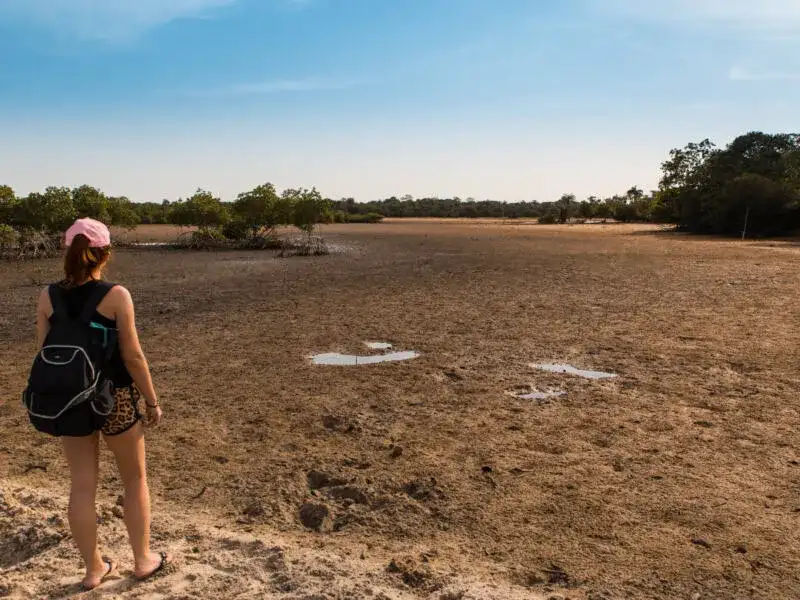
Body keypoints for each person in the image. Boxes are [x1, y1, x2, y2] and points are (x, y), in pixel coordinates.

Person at [34, 218, 171, 590]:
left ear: (68, 251)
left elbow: (45, 352)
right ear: (105, 253)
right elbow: (134, 356)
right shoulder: (116, 295)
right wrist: (153, 401)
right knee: (135, 479)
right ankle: (143, 560)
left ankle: (94, 569)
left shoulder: (48, 296)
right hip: (117, 401)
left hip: (71, 402)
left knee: (81, 486)